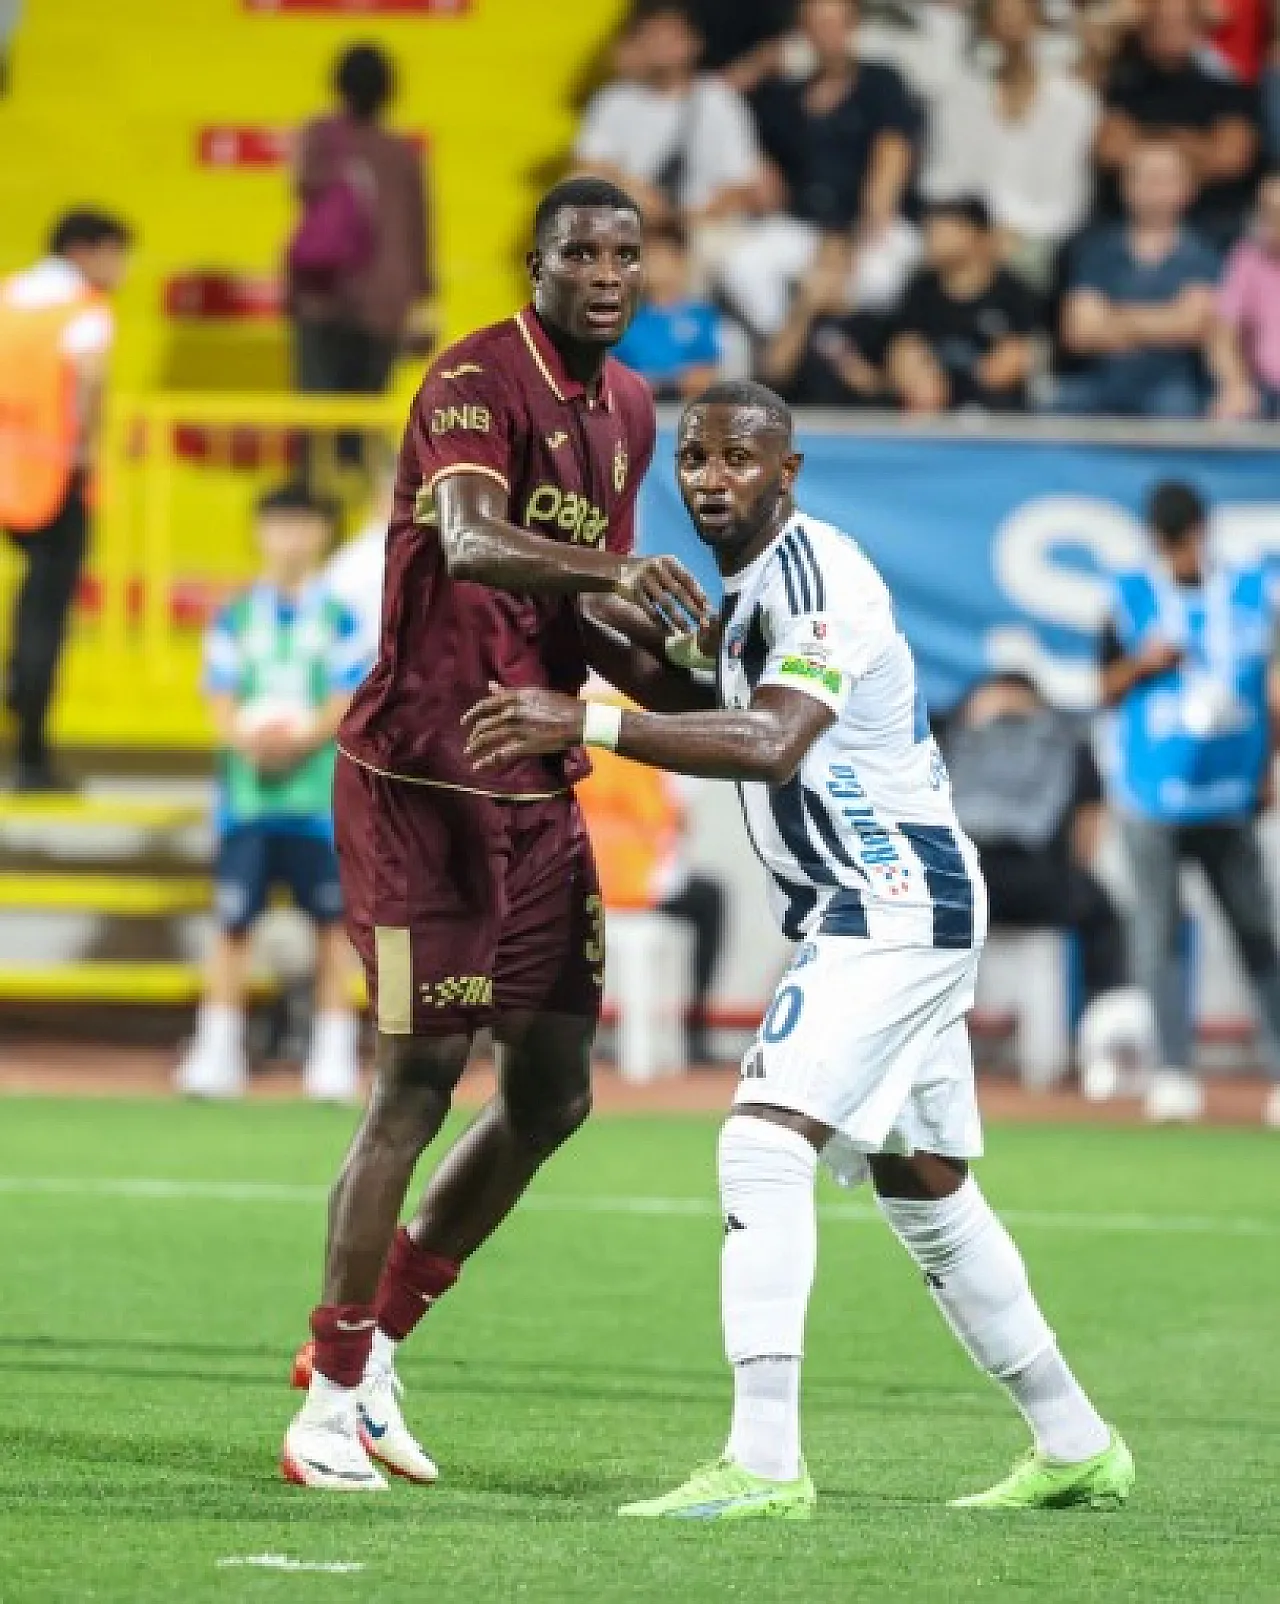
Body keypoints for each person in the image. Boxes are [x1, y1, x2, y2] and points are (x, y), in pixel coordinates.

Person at [464, 378, 1134, 1520]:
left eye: (737, 458)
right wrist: (560, 603)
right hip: (879, 902)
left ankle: (765, 1461)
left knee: (760, 1144)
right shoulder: (749, 595)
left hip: (888, 897)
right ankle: (1076, 1443)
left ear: (787, 471)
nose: (710, 479)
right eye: (693, 459)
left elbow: (772, 740)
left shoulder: (821, 576)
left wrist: (585, 721)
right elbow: (694, 691)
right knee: (923, 1185)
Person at [280, 176, 713, 1492]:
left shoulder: (628, 407)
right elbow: (470, 541)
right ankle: (326, 1403)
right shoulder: (473, 378)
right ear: (537, 264)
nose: (606, 274)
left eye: (626, 254)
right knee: (417, 1082)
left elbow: (580, 618)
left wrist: (694, 686)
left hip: (535, 781)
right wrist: (618, 571)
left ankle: (372, 1352)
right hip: (423, 778)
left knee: (553, 1094)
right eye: (581, 252)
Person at [175, 485, 369, 1104]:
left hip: (320, 804)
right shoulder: (234, 617)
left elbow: (347, 698)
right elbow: (219, 697)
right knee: (232, 926)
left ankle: (334, 1058)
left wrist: (300, 738)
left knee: (333, 928)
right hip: (247, 802)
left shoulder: (341, 620)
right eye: (279, 525)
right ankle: (216, 1054)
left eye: (301, 525)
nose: (289, 539)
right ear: (260, 533)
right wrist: (248, 739)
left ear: (322, 534)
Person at [1099, 479, 1280, 1127]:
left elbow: (1271, 686)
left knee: (1255, 931)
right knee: (1158, 933)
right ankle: (1173, 1073)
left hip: (1230, 792)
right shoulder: (1132, 596)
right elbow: (1105, 685)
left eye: (1185, 540)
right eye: (1168, 543)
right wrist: (1144, 664)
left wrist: (1269, 766)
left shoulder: (1252, 593)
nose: (1178, 553)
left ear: (1203, 532)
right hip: (1151, 794)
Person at [941, 671, 1142, 1096]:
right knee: (1102, 912)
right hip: (998, 877)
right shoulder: (954, 735)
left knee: (1103, 912)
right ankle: (1105, 1042)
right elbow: (1088, 829)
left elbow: (1088, 825)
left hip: (978, 882)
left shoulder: (956, 734)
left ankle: (1105, 1040)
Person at [0, 208, 130, 792]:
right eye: (116, 254)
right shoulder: (85, 312)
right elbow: (89, 385)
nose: (122, 269)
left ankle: (15, 684)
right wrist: (87, 451)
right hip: (55, 480)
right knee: (43, 617)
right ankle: (30, 755)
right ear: (84, 250)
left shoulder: (8, 297)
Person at [719, 0, 920, 338]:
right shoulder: (786, 96)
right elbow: (723, 97)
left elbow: (892, 154)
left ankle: (839, 344)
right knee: (742, 264)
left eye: (836, 24)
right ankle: (789, 343)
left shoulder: (881, 82)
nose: (829, 34)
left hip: (868, 224)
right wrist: (760, 63)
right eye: (818, 25)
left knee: (880, 277)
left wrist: (856, 237)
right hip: (806, 225)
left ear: (853, 27)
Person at [288, 44, 434, 454]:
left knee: (316, 418)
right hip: (384, 303)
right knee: (365, 419)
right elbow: (420, 233)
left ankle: (316, 490)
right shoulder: (402, 154)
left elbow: (305, 191)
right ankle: (358, 487)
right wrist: (424, 300)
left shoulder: (321, 137)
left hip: (322, 291)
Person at [922, 0, 1101, 286]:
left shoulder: (1075, 103)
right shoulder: (960, 96)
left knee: (1023, 268)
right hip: (967, 231)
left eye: (1020, 18)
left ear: (1037, 23)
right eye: (1002, 18)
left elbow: (1069, 201)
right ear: (988, 28)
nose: (1012, 29)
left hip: (1039, 237)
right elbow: (944, 182)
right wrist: (978, 232)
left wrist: (1015, 232)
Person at [575, 733, 726, 1063]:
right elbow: (678, 824)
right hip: (638, 884)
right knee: (711, 897)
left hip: (579, 882)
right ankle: (696, 1029)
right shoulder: (657, 743)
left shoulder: (573, 741)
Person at [1056, 138, 1220, 416]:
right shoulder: (1096, 250)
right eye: (1142, 177)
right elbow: (1079, 332)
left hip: (1172, 385)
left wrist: (1113, 318)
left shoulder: (1204, 254)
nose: (1152, 188)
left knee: (1177, 408)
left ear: (1188, 189)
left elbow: (1194, 327)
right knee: (1058, 404)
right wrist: (1165, 320)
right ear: (1125, 186)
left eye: (1163, 179)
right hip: (1101, 379)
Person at [572, 6, 764, 236]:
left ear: (694, 43)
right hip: (630, 215)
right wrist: (638, 194)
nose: (661, 45)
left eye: (671, 36)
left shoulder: (719, 100)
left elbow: (741, 181)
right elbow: (589, 164)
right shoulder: (613, 99)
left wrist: (684, 219)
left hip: (702, 224)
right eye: (653, 36)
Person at [1094, 0, 1261, 245]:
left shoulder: (1228, 91)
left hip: (1208, 220)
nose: (1170, 32)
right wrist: (1194, 146)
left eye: (1180, 24)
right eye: (1161, 24)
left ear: (1198, 32)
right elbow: (1110, 151)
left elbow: (1230, 158)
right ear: (1145, 32)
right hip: (1128, 219)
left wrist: (1147, 146)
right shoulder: (1123, 89)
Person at [887, 197, 1040, 414]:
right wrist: (917, 377)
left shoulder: (1013, 293)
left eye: (942, 231)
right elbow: (905, 348)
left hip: (995, 412)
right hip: (932, 407)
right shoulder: (920, 291)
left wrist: (966, 380)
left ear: (975, 235)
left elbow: (1013, 362)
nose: (932, 239)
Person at [759, 232, 892, 406]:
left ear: (851, 268)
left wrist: (845, 360)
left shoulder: (870, 324)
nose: (827, 274)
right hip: (805, 415)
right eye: (822, 264)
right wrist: (804, 309)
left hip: (854, 416)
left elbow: (882, 387)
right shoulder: (797, 320)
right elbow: (774, 372)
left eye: (834, 265)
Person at [613, 219, 725, 399]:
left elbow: (703, 378)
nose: (650, 263)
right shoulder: (624, 320)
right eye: (646, 256)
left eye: (659, 255)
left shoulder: (703, 316)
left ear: (680, 262)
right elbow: (614, 381)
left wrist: (654, 384)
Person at [1210, 171, 1280, 419]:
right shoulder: (1246, 258)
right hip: (1263, 390)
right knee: (1228, 413)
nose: (1275, 222)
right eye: (1268, 212)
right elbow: (1222, 335)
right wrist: (1235, 384)